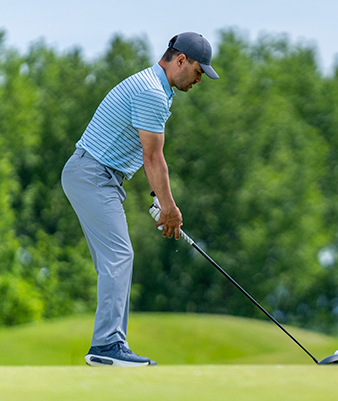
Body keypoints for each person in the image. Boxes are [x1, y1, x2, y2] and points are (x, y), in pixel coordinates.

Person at [61, 32, 219, 367]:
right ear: (180, 61)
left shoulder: (155, 87)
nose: (198, 79)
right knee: (119, 256)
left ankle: (109, 345)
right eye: (197, 71)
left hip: (96, 175)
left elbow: (140, 153)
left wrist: (159, 199)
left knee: (114, 259)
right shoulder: (151, 92)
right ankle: (107, 346)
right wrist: (170, 208)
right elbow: (153, 158)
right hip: (92, 176)